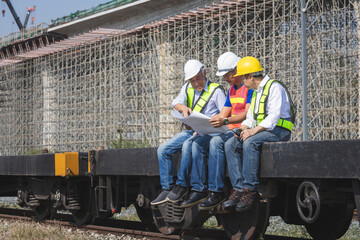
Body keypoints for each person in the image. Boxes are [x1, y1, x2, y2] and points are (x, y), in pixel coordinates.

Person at [179, 52, 253, 209]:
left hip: (240, 129)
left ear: (236, 70)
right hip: (228, 128)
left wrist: (224, 121)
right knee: (198, 143)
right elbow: (224, 112)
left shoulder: (248, 88)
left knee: (216, 142)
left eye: (228, 75)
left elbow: (246, 114)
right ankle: (198, 189)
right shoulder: (232, 89)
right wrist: (204, 124)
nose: (225, 79)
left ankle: (216, 190)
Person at [222, 56, 295, 212]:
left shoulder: (275, 87)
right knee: (231, 144)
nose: (242, 81)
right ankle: (238, 188)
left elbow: (273, 117)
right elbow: (251, 118)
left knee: (250, 142)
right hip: (264, 130)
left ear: (250, 76)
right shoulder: (255, 92)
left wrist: (253, 131)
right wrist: (243, 128)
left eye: (243, 77)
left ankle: (250, 190)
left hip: (279, 131)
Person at [151, 59, 226, 205]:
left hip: (210, 132)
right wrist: (183, 108)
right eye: (192, 80)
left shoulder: (216, 91)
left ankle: (182, 186)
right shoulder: (187, 88)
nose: (196, 83)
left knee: (188, 146)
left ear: (205, 73)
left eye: (198, 78)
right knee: (163, 150)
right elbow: (175, 103)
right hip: (193, 130)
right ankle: (167, 188)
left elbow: (224, 115)